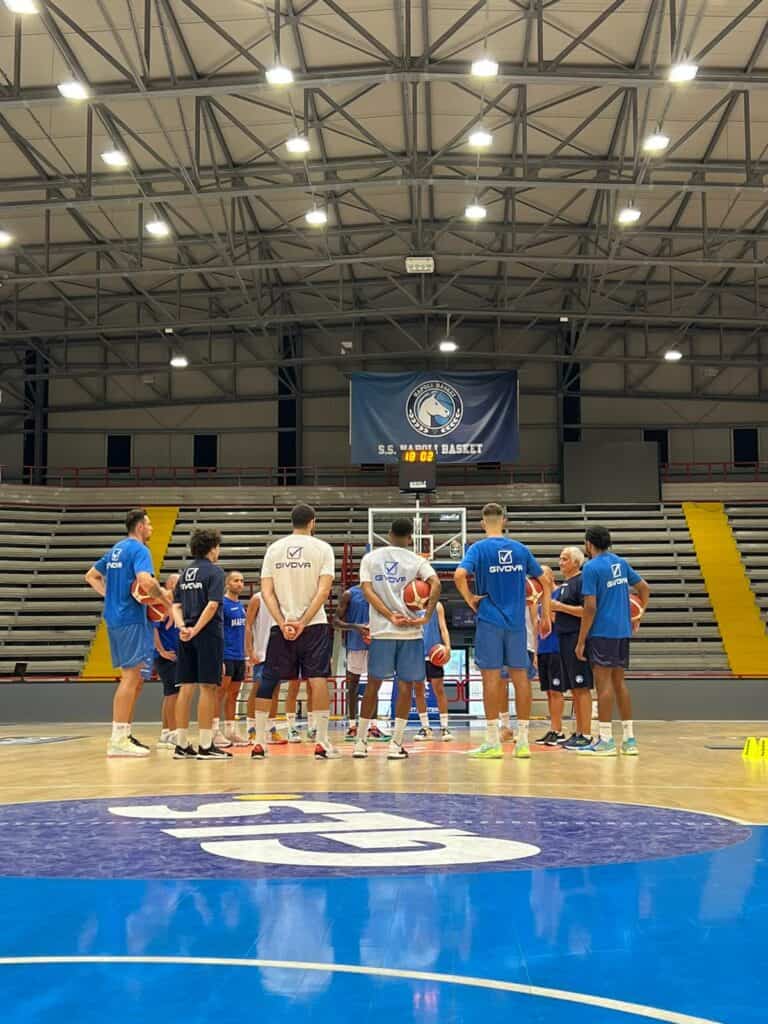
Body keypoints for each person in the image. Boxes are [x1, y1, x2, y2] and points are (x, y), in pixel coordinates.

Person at [454, 502, 552, 760]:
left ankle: (492, 741)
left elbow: (458, 575)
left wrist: (470, 599)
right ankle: (523, 742)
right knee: (522, 679)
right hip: (517, 624)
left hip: (489, 621)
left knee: (491, 680)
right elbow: (544, 579)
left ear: (482, 523)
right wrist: (547, 613)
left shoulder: (478, 549)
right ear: (505, 521)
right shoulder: (520, 549)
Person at [85, 508, 177, 757]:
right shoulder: (139, 550)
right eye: (148, 524)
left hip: (116, 617)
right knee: (130, 677)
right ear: (139, 527)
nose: (151, 528)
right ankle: (117, 739)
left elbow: (91, 576)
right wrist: (167, 605)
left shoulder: (116, 549)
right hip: (131, 619)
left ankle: (124, 733)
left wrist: (110, 596)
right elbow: (146, 582)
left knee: (135, 679)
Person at [251, 504, 337, 760]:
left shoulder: (274, 549)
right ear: (313, 522)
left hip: (282, 625)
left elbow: (266, 592)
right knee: (318, 679)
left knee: (269, 681)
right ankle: (321, 742)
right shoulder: (323, 548)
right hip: (314, 624)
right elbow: (323, 591)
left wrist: (283, 620)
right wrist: (303, 621)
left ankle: (259, 742)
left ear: (292, 521)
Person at [355, 518, 440, 761]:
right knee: (405, 686)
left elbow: (367, 590)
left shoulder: (371, 558)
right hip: (411, 633)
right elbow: (435, 584)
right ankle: (396, 744)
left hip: (382, 631)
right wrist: (426, 617)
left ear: (389, 534)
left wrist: (388, 614)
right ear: (411, 538)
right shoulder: (417, 561)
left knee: (373, 685)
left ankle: (361, 742)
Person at [575, 526, 650, 757]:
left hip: (602, 632)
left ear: (589, 544)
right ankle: (629, 740)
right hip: (622, 631)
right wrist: (639, 615)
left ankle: (605, 740)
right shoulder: (620, 563)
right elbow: (644, 588)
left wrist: (581, 641)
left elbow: (590, 607)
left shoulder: (591, 567)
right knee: (620, 684)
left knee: (603, 686)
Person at [172, 527, 231, 760]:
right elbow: (213, 604)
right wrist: (196, 630)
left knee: (185, 688)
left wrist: (182, 628)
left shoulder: (185, 573)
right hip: (207, 634)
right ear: (212, 548)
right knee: (208, 688)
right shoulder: (215, 572)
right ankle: (206, 745)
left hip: (185, 634)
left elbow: (175, 605)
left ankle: (181, 744)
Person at [552, 546, 594, 750]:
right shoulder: (563, 585)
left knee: (582, 686)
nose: (560, 562)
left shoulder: (581, 581)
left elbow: (586, 611)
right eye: (560, 559)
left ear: (576, 563)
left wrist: (560, 607)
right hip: (563, 638)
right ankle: (578, 732)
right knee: (575, 689)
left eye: (565, 559)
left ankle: (586, 734)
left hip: (577, 637)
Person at [534, 566, 566, 746]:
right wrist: (537, 652)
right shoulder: (539, 599)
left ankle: (558, 730)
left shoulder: (558, 594)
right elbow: (538, 628)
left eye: (543, 574)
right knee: (548, 692)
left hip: (556, 648)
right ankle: (553, 728)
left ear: (551, 576)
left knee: (556, 691)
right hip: (544, 649)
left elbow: (554, 620)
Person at [216, 570, 249, 746]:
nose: (240, 584)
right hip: (226, 655)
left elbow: (243, 632)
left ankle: (230, 731)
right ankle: (214, 731)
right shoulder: (223, 604)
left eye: (242, 581)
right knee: (219, 694)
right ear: (227, 584)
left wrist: (246, 656)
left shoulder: (241, 606)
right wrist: (219, 657)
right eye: (236, 580)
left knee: (234, 694)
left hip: (239, 656)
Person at [414, 601, 454, 741]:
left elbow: (443, 628)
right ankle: (425, 728)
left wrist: (448, 647)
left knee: (439, 690)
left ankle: (444, 727)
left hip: (434, 654)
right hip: (416, 653)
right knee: (419, 691)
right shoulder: (409, 605)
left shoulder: (437, 605)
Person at [335, 583, 370, 739]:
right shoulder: (350, 594)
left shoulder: (380, 593)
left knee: (374, 685)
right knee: (353, 686)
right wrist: (355, 627)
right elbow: (335, 621)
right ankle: (352, 726)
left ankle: (373, 726)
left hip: (376, 643)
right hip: (355, 644)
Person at [155, 572, 180, 749]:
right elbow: (153, 629)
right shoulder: (162, 605)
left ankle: (165, 733)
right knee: (173, 694)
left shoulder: (178, 605)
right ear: (168, 585)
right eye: (176, 583)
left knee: (170, 694)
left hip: (177, 654)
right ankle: (172, 732)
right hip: (167, 655)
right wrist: (161, 650)